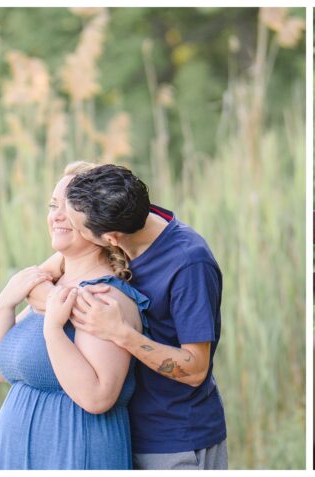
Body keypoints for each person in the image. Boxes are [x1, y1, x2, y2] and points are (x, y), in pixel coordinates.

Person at [38, 164, 228, 470]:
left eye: (77, 226)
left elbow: (195, 369)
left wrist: (121, 333)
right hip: (126, 431)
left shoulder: (189, 264)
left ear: (109, 239)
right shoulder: (119, 213)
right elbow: (46, 273)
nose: (66, 224)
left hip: (174, 440)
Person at [0, 162, 150, 470]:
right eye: (53, 205)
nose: (57, 215)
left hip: (74, 450)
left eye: (72, 207)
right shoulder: (51, 290)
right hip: (17, 455)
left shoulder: (104, 297)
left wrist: (53, 330)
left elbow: (98, 397)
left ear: (99, 222)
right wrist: (4, 303)